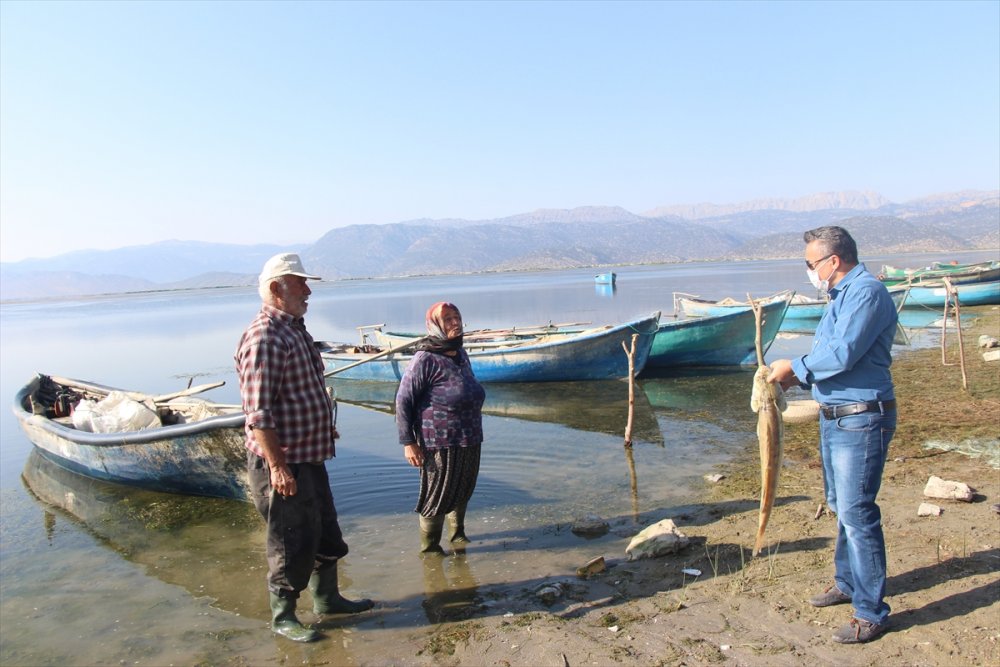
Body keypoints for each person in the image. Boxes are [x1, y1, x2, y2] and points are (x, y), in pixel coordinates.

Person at [767, 226, 897, 645]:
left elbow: (842, 353)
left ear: (833, 261)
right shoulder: (840, 295)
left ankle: (870, 612)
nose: (809, 271)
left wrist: (795, 368)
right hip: (835, 416)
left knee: (858, 513)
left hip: (860, 418)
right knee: (841, 505)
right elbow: (831, 355)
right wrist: (797, 377)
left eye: (810, 264)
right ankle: (847, 583)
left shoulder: (866, 293)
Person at [235, 252, 373, 643]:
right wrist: (278, 467)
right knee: (289, 540)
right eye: (300, 283)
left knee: (324, 532)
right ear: (277, 289)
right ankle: (283, 617)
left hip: (309, 456)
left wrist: (322, 427)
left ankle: (327, 600)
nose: (308, 290)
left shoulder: (294, 329)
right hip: (283, 464)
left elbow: (299, 394)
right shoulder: (264, 336)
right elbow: (258, 414)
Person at [395, 302, 486, 553]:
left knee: (463, 487)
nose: (455, 323)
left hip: (469, 436)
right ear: (435, 326)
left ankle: (457, 535)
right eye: (447, 319)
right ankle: (430, 548)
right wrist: (408, 443)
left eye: (457, 317)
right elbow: (403, 400)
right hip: (438, 441)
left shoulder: (460, 354)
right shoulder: (425, 359)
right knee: (437, 495)